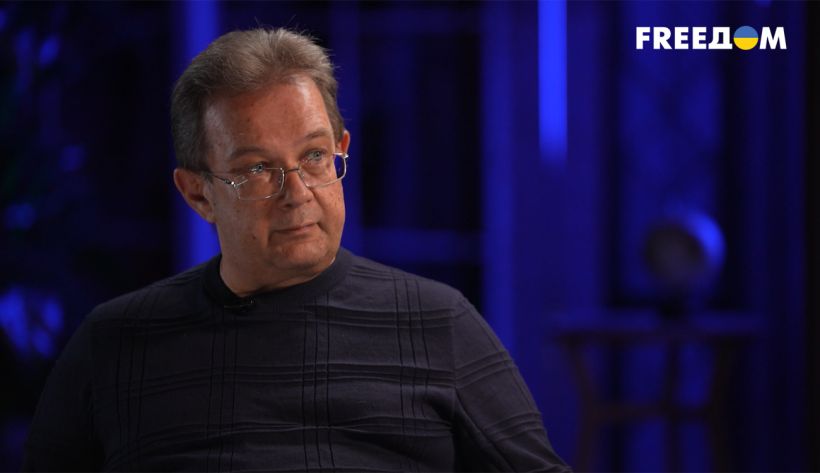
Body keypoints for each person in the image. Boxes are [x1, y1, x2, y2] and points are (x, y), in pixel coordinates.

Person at [23, 28, 570, 472]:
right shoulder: (115, 342)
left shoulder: (436, 322)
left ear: (341, 150)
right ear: (198, 194)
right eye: (257, 168)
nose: (298, 193)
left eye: (314, 156)